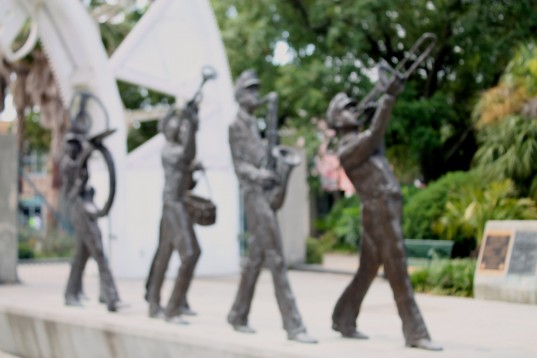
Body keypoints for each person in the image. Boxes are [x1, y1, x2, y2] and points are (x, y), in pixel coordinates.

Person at [327, 66, 442, 351]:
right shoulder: (347, 149)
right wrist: (388, 98)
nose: (353, 110)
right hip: (378, 208)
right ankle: (414, 331)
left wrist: (384, 100)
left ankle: (343, 317)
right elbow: (374, 137)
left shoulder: (364, 142)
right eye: (346, 109)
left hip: (385, 206)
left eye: (355, 106)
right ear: (336, 121)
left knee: (368, 269)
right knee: (397, 266)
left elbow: (377, 135)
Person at [226, 70, 317, 344]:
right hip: (253, 194)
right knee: (276, 259)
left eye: (257, 91)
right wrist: (259, 174)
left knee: (255, 260)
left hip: (263, 194)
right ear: (240, 95)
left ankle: (238, 314)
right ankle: (294, 326)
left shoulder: (253, 124)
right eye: (251, 91)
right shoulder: (235, 126)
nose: (256, 96)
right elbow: (239, 165)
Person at [145, 102, 202, 324]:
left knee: (164, 256)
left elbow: (188, 162)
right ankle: (172, 309)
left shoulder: (177, 151)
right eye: (177, 126)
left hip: (175, 205)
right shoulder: (169, 151)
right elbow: (188, 152)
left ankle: (154, 303)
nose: (180, 129)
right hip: (173, 206)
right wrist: (192, 122)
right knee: (190, 254)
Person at [61, 119, 123, 312]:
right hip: (79, 209)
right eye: (72, 144)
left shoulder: (79, 162)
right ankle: (111, 296)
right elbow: (70, 193)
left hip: (87, 206)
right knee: (98, 251)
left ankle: (72, 293)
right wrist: (80, 185)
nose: (75, 148)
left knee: (82, 254)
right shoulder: (69, 165)